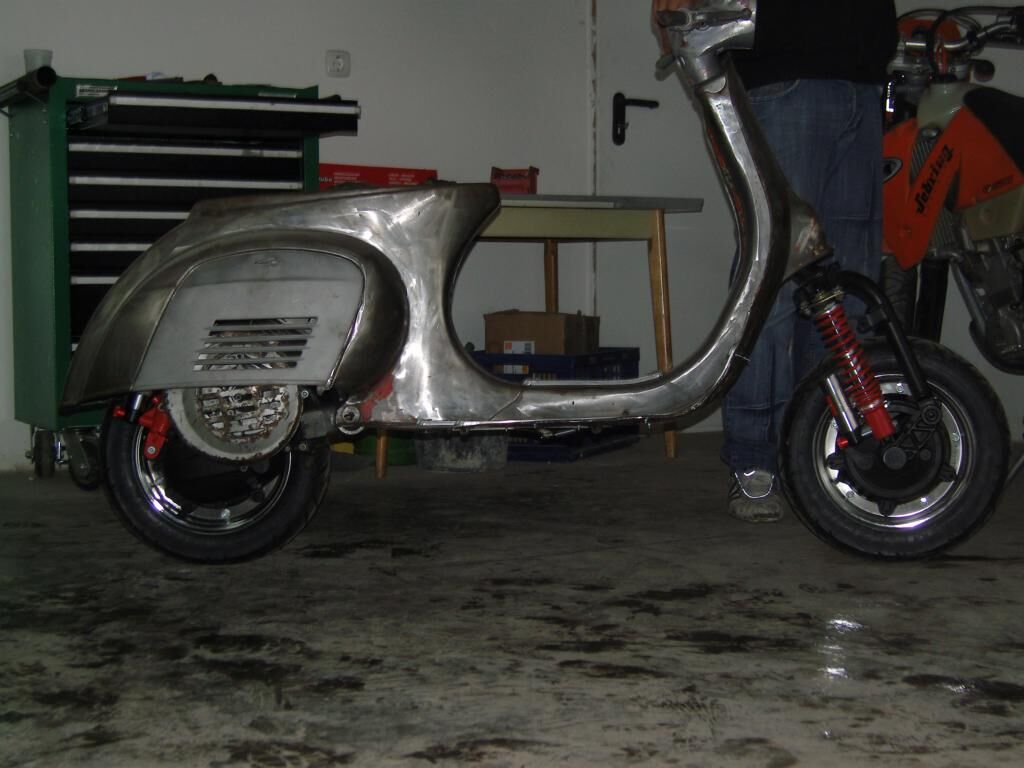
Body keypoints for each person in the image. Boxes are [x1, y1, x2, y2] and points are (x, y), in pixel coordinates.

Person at [651, 0, 899, 522]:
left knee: (846, 291)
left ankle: (817, 456)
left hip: (863, 83)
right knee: (773, 286)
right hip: (784, 78)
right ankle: (755, 461)